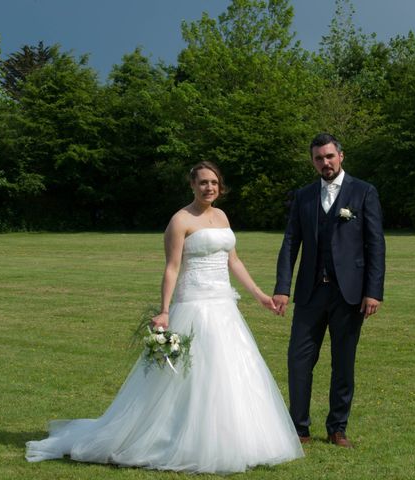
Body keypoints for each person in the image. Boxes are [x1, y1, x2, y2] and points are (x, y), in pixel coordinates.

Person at [26, 161, 304, 474]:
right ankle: (178, 439)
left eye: (213, 182)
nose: (208, 188)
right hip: (195, 305)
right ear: (192, 185)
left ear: (219, 185)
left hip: (225, 307)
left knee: (232, 374)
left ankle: (236, 439)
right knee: (190, 377)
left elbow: (234, 261)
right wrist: (164, 309)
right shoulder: (180, 220)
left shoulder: (222, 216)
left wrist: (260, 296)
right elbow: (172, 267)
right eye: (202, 183)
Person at [273, 133, 386, 449]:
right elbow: (290, 242)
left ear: (341, 156)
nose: (325, 162)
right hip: (310, 292)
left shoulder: (364, 192)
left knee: (343, 363)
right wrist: (282, 287)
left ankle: (337, 428)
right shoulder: (304, 196)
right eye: (318, 158)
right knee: (298, 360)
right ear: (313, 162)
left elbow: (375, 244)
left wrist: (373, 291)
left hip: (349, 294)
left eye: (329, 156)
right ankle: (299, 428)